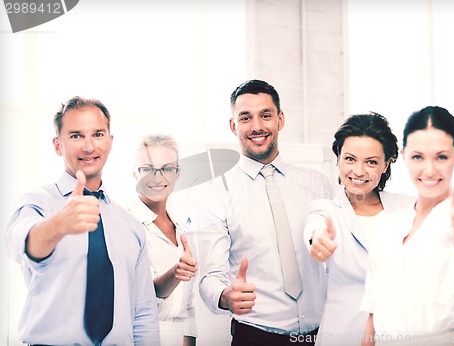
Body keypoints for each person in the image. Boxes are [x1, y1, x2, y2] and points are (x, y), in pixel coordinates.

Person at [5, 96, 160, 345]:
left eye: (98, 134)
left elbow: (143, 315)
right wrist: (57, 226)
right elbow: (19, 243)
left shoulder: (130, 225)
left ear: (110, 142)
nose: (89, 147)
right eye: (76, 135)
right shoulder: (38, 204)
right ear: (58, 145)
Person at [196, 79, 335, 346]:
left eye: (266, 115)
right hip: (255, 336)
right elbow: (209, 278)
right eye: (246, 117)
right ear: (233, 125)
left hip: (322, 335)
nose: (257, 126)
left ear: (280, 120)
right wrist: (226, 296)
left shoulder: (318, 184)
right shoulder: (217, 195)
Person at [361, 106, 454, 345]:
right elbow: (373, 310)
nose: (430, 170)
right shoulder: (386, 226)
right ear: (404, 156)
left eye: (441, 157)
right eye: (418, 157)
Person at [304, 113, 416, 345]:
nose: (359, 171)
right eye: (350, 159)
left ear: (386, 165)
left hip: (396, 334)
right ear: (338, 159)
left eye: (371, 162)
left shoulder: (409, 209)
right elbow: (314, 230)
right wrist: (317, 240)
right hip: (343, 334)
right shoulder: (325, 210)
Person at [127, 134, 198, 346]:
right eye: (148, 169)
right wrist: (176, 273)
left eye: (167, 168)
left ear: (177, 173)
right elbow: (145, 291)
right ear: (135, 173)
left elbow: (187, 303)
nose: (158, 178)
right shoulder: (126, 223)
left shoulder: (182, 225)